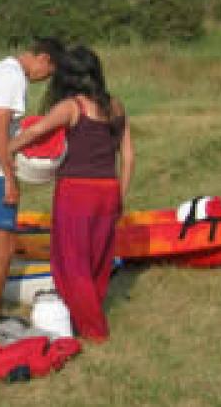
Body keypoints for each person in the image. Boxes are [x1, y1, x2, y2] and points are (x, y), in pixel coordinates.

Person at [8, 45, 134, 342]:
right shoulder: (115, 106)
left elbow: (34, 133)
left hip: (76, 191)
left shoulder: (71, 107)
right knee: (98, 259)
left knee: (70, 260)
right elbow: (128, 155)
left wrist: (4, 150)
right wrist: (120, 194)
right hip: (107, 189)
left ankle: (93, 328)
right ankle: (85, 315)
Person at [0, 37, 65, 327]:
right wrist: (10, 177)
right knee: (5, 245)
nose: (42, 79)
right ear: (43, 59)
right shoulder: (14, 79)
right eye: (47, 73)